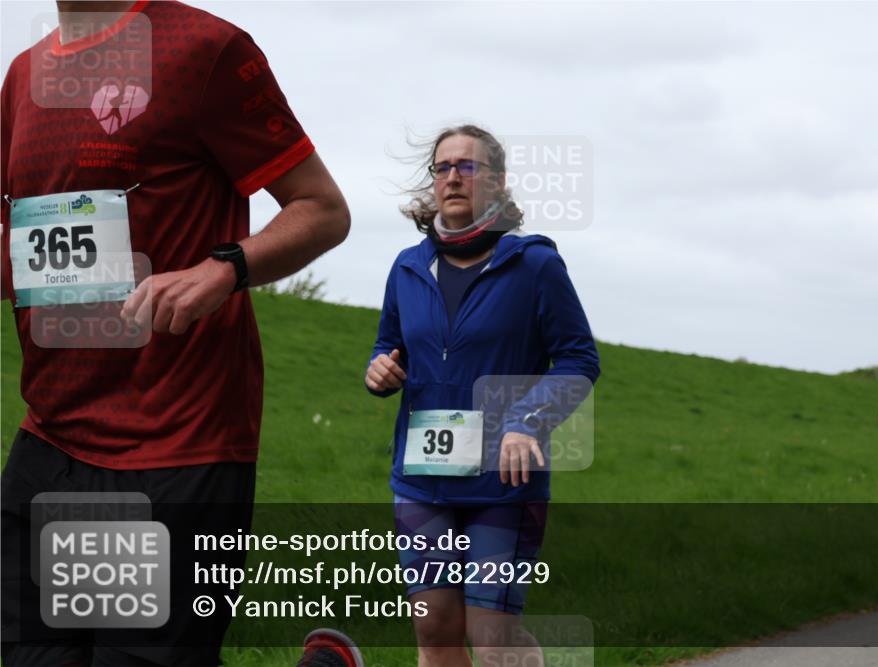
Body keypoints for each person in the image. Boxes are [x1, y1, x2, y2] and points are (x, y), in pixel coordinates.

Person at [1, 1, 350, 664]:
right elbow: (27, 252)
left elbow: (323, 210)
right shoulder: (22, 77)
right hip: (50, 438)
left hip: (173, 441)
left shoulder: (203, 49)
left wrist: (226, 269)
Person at [365, 125, 599, 666]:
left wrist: (527, 420)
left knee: (492, 637)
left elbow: (579, 358)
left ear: (496, 181)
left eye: (466, 167)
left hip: (503, 483)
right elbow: (388, 347)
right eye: (442, 167)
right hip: (422, 482)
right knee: (435, 632)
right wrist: (379, 372)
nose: (452, 177)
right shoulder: (406, 267)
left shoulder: (534, 265)